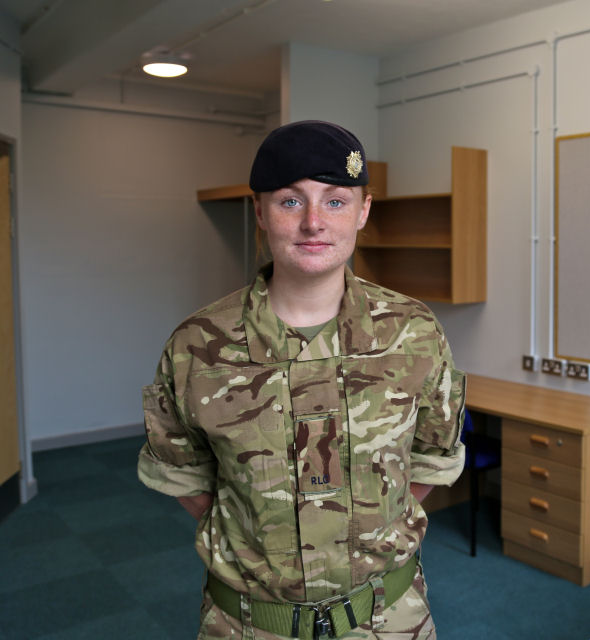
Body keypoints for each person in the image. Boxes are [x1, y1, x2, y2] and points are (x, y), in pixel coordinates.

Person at [137, 120, 466, 639]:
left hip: (387, 622)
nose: (314, 222)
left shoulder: (414, 333)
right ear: (260, 213)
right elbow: (189, 482)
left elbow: (427, 462)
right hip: (248, 626)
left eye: (335, 201)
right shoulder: (197, 347)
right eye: (291, 201)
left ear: (363, 211)